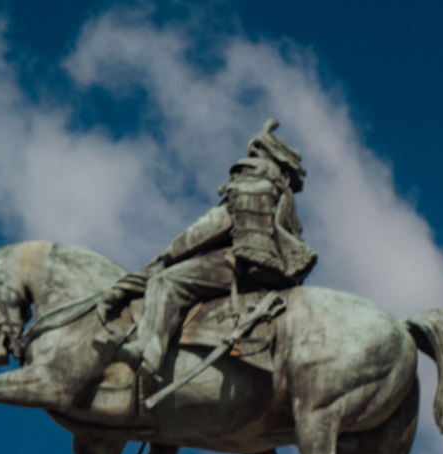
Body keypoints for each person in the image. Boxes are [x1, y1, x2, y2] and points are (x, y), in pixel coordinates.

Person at [107, 120, 318, 378]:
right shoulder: (281, 195)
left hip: (241, 264)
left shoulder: (248, 184)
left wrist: (172, 252)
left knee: (166, 282)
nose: (248, 159)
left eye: (253, 153)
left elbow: (213, 226)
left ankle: (147, 351)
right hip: (273, 269)